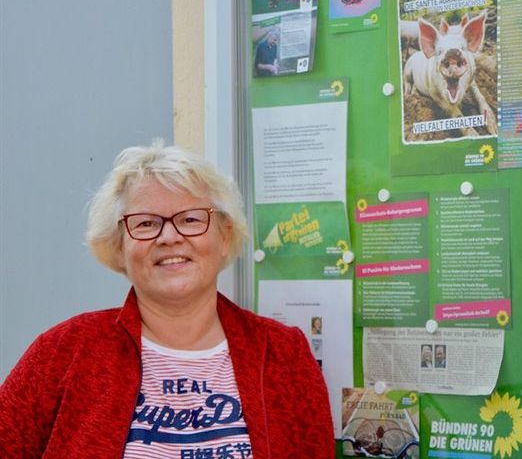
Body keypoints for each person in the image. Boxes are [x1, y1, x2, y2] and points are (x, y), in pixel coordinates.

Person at [0, 141, 335, 458]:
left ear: (224, 236)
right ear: (119, 246)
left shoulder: (284, 354)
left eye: (190, 219)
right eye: (146, 223)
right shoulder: (62, 352)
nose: (170, 237)